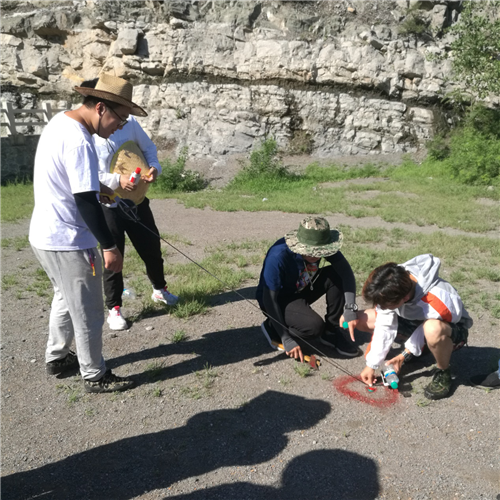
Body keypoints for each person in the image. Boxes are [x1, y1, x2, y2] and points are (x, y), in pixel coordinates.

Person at [28, 73, 147, 393]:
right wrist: (109, 246)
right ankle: (94, 374)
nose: (119, 127)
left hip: (44, 234)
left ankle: (56, 357)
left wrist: (108, 187)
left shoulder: (61, 123)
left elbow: (80, 180)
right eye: (119, 119)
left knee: (65, 297)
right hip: (68, 240)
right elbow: (84, 199)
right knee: (90, 308)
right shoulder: (80, 138)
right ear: (100, 108)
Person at [88, 83, 179, 330]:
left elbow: (149, 148)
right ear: (103, 108)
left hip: (138, 201)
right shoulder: (88, 135)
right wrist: (118, 181)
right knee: (114, 256)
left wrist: (154, 169)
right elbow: (89, 174)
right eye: (120, 114)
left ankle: (160, 290)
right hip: (110, 204)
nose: (122, 121)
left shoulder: (131, 126)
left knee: (152, 248)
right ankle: (114, 308)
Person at [348, 254, 472, 400]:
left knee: (432, 329)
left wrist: (404, 355)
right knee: (364, 318)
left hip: (449, 331)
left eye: (386, 305)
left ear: (405, 298)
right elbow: (384, 325)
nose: (381, 307)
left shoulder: (438, 300)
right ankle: (422, 351)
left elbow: (429, 328)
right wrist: (372, 364)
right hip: (417, 321)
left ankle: (443, 370)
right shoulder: (393, 281)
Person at [256, 216, 360, 363]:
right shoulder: (278, 256)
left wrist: (350, 308)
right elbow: (269, 298)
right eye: (310, 251)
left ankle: (331, 330)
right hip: (278, 300)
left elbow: (346, 273)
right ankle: (273, 326)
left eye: (319, 251)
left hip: (300, 288)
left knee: (335, 273)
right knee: (313, 327)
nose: (314, 255)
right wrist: (285, 337)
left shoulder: (323, 244)